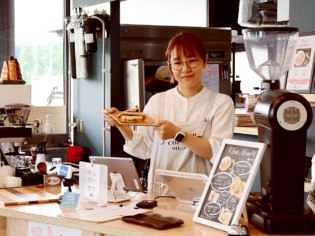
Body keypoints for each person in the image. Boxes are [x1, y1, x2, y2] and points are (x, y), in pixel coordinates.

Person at [104, 32, 235, 195]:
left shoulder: (221, 103)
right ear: (170, 66)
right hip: (161, 194)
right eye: (178, 63)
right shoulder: (157, 101)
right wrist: (120, 124)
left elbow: (217, 153)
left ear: (205, 60)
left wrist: (179, 134)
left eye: (192, 60)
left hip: (201, 197)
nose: (185, 69)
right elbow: (144, 149)